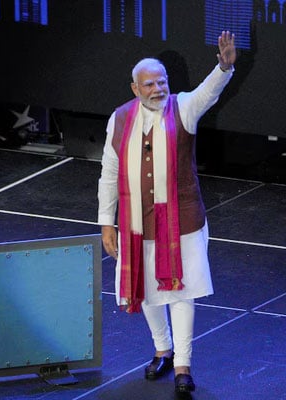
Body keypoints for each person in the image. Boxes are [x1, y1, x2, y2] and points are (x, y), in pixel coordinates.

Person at [97, 30, 237, 394]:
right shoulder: (120, 118)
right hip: (135, 222)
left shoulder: (183, 106)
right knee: (145, 290)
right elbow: (109, 172)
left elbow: (209, 92)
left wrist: (223, 68)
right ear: (135, 89)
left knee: (180, 291)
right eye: (149, 84)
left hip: (182, 221)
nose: (157, 89)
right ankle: (162, 349)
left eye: (162, 82)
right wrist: (105, 222)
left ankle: (182, 365)